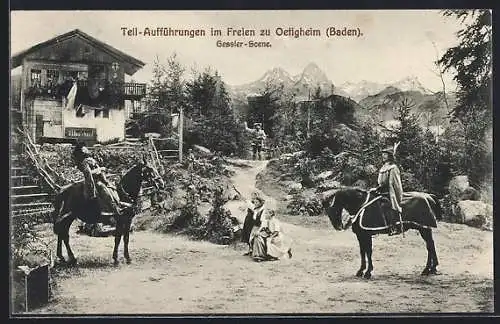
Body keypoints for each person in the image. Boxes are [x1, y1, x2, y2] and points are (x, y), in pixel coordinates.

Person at [72, 142, 132, 218]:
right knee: (103, 188)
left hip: (100, 178)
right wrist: (100, 169)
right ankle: (114, 208)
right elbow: (88, 173)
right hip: (94, 181)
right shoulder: (84, 163)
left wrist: (103, 174)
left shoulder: (91, 159)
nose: (86, 149)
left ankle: (119, 202)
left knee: (113, 186)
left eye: (85, 148)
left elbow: (99, 170)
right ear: (82, 152)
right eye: (84, 148)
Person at [369, 142, 403, 236]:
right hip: (381, 191)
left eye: (385, 154)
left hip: (389, 193)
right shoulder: (383, 167)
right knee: (370, 202)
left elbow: (395, 184)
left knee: (385, 205)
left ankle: (393, 227)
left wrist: (395, 195)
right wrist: (376, 189)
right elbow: (381, 182)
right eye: (382, 154)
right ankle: (373, 226)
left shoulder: (393, 168)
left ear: (390, 156)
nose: (383, 156)